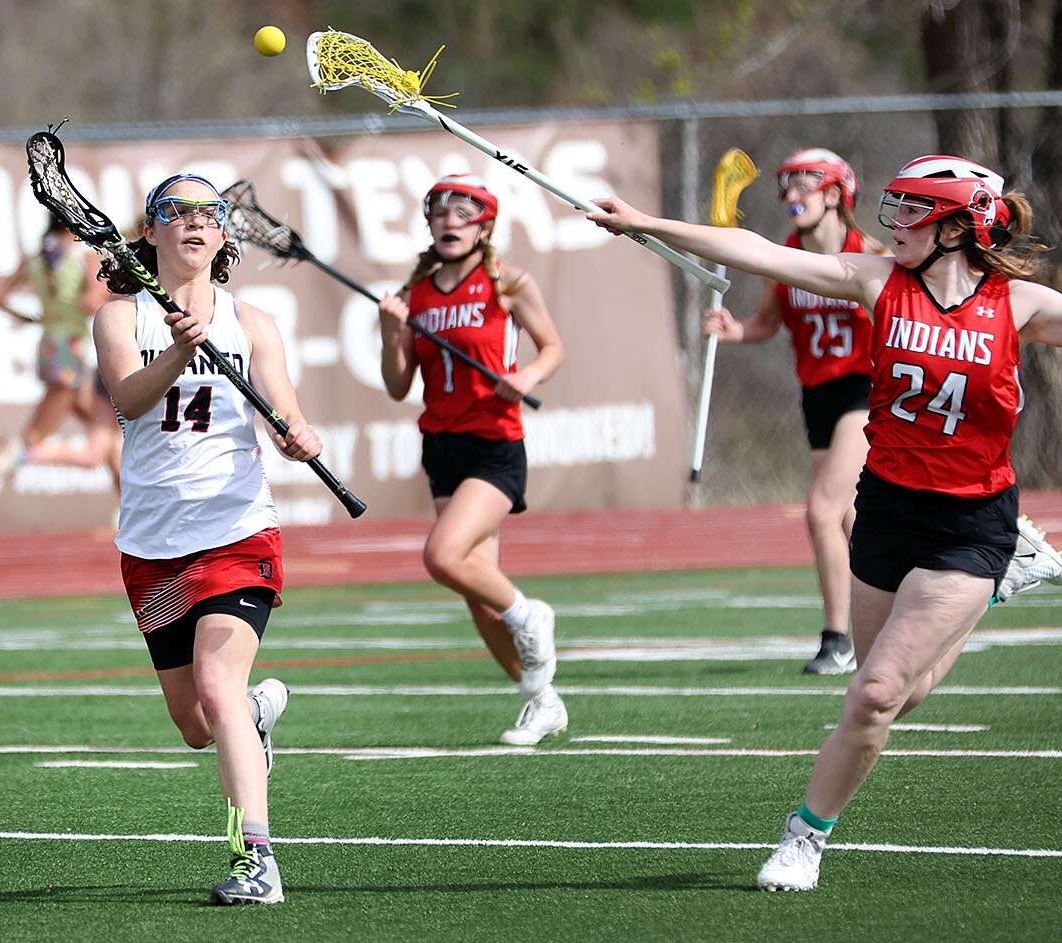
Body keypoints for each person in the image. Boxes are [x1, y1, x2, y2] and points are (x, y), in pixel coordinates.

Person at [588, 153, 1062, 891]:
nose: (894, 221)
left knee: (871, 694)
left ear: (958, 224)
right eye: (895, 204)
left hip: (972, 522)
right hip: (888, 507)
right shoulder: (876, 280)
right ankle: (1003, 586)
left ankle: (804, 836)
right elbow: (759, 252)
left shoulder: (1018, 305)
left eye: (913, 210)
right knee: (899, 695)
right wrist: (645, 223)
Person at [94, 173, 320, 905]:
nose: (193, 223)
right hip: (153, 547)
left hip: (235, 530)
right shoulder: (120, 318)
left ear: (224, 236)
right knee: (197, 724)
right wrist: (173, 352)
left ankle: (256, 860)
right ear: (152, 231)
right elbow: (128, 399)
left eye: (207, 213)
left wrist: (296, 434)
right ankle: (252, 722)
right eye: (175, 212)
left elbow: (283, 407)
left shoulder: (252, 320)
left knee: (219, 686)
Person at [378, 174, 566, 745]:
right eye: (439, 214)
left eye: (463, 214)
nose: (449, 223)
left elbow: (553, 347)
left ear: (485, 226)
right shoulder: (416, 295)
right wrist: (391, 334)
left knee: (443, 556)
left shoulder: (506, 282)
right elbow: (397, 384)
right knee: (477, 594)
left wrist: (524, 376)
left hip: (494, 443)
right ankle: (542, 701)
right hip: (441, 445)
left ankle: (532, 616)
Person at [704, 149, 884, 674]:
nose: (791, 197)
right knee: (850, 518)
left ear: (835, 194)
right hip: (818, 395)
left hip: (865, 390)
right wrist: (734, 330)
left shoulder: (869, 255)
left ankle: (837, 640)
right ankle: (882, 622)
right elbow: (767, 322)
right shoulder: (786, 257)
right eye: (786, 187)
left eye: (805, 185)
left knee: (822, 510)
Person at [0, 217, 115, 503]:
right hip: (71, 349)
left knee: (105, 427)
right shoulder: (83, 256)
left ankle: (125, 502)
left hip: (50, 345)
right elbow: (92, 301)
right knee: (32, 438)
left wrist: (34, 317)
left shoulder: (38, 258)